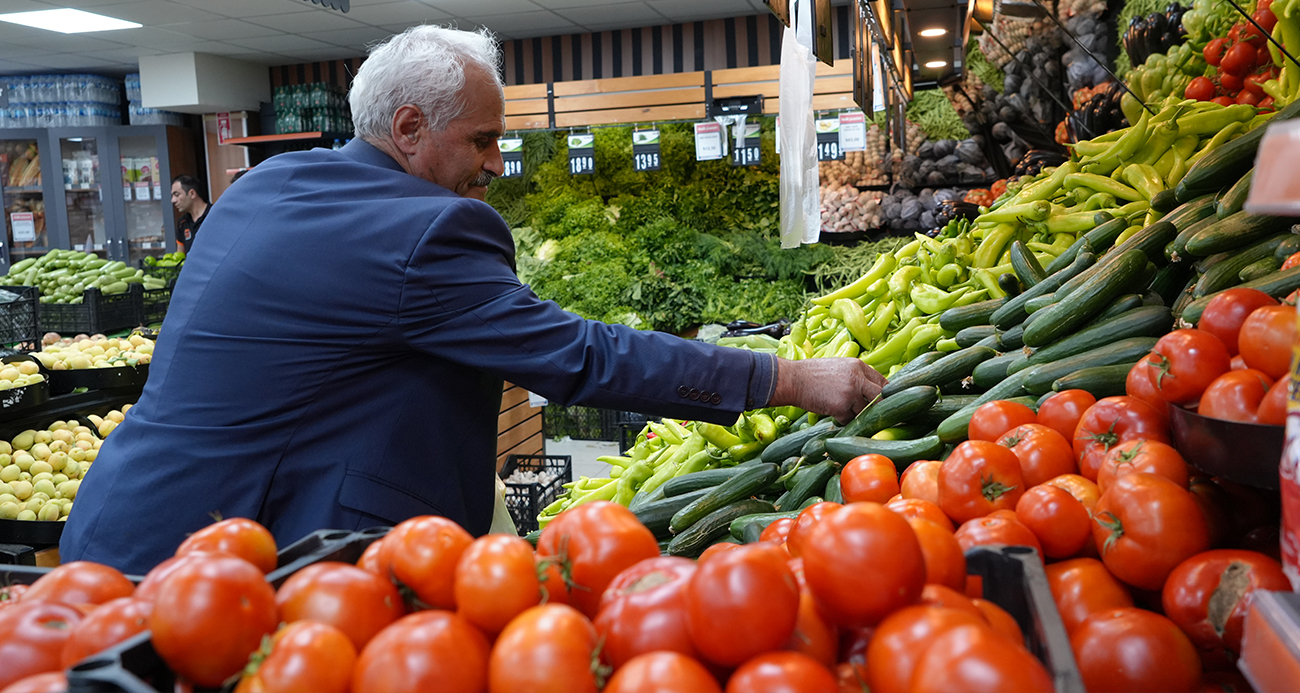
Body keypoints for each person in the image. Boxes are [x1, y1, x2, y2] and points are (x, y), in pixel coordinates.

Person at [59, 25, 886, 574]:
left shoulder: (266, 182)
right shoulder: (428, 228)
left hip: (125, 522)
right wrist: (786, 378)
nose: (496, 163)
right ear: (409, 128)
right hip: (228, 560)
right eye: (483, 140)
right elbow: (580, 357)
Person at [171, 174, 208, 253]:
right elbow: (179, 255)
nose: (173, 200)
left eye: (176, 195)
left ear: (192, 194)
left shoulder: (214, 215)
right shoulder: (182, 222)